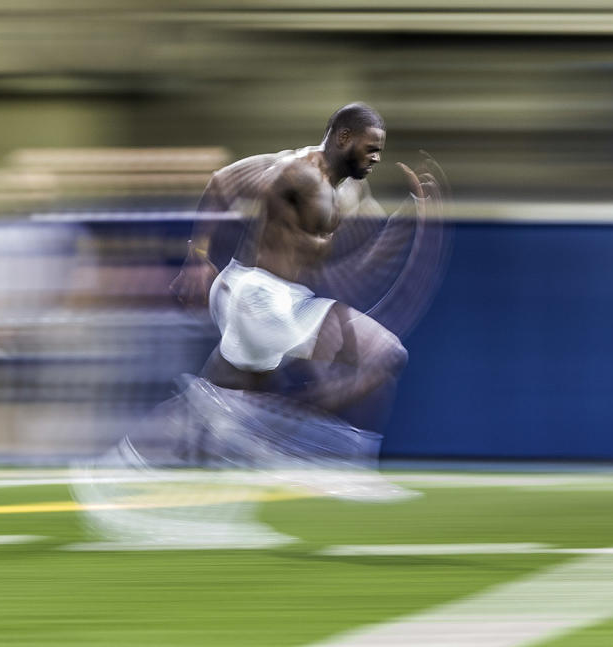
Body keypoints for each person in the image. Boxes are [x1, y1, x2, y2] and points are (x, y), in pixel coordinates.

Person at [163, 102, 445, 492]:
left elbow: (362, 263)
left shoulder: (353, 192)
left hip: (281, 301)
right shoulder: (295, 168)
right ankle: (314, 450)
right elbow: (221, 182)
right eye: (371, 147)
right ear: (344, 137)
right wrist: (196, 258)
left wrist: (410, 218)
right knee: (386, 354)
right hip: (255, 295)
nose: (377, 157)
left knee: (224, 402)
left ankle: (158, 450)